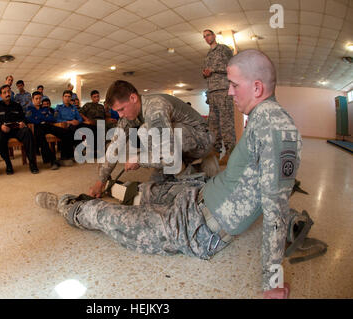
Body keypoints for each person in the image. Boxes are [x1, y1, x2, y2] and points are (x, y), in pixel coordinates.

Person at [35, 49, 302, 299]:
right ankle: (131, 189)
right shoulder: (263, 117)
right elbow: (269, 187)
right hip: (198, 193)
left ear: (257, 88)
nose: (229, 93)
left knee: (108, 216)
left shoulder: (274, 126)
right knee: (148, 191)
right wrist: (101, 179)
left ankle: (66, 205)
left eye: (234, 85)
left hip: (196, 226)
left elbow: (275, 202)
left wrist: (273, 281)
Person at [88, 80, 216, 198]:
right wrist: (101, 181)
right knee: (154, 186)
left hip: (202, 140)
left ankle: (197, 174)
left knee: (146, 130)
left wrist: (138, 159)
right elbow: (114, 146)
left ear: (133, 98)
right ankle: (190, 169)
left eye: (121, 109)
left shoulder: (155, 109)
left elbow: (168, 156)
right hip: (180, 145)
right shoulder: (129, 115)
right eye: (117, 111)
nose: (120, 115)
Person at [202, 29, 236, 166]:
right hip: (212, 92)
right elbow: (205, 72)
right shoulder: (207, 55)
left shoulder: (224, 49)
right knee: (213, 124)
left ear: (214, 36)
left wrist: (214, 70)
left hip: (223, 90)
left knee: (226, 123)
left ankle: (230, 152)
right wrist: (205, 73)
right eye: (204, 37)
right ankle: (215, 151)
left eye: (208, 35)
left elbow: (231, 65)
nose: (206, 38)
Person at [0, 84, 39, 174]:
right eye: (4, 92)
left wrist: (23, 123)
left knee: (27, 132)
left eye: (8, 91)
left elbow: (23, 118)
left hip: (17, 129)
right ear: (1, 95)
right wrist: (0, 126)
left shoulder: (17, 105)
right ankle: (8, 164)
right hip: (3, 130)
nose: (7, 94)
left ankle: (32, 163)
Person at [26, 93, 75, 169]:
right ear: (32, 100)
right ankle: (52, 161)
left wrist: (38, 118)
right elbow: (29, 119)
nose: (39, 100)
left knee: (66, 132)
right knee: (42, 138)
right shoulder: (29, 109)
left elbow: (52, 119)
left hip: (48, 126)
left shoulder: (45, 108)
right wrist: (43, 117)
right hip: (37, 128)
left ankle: (64, 157)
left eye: (40, 98)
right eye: (36, 99)